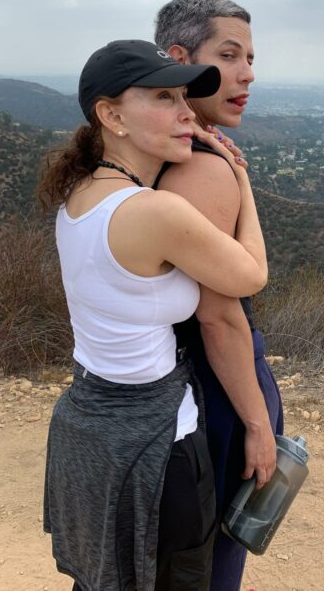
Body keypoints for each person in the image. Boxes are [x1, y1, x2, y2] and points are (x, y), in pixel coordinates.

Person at [39, 39, 269, 591]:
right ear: (111, 115)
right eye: (165, 97)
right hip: (157, 447)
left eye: (184, 97)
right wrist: (241, 182)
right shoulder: (156, 211)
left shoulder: (79, 193)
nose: (187, 113)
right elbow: (250, 275)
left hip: (88, 428)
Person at [154, 0, 284, 590]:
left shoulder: (158, 154)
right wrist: (258, 423)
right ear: (181, 59)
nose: (248, 73)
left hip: (178, 383)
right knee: (213, 553)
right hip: (217, 385)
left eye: (250, 57)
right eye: (229, 55)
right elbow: (219, 316)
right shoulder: (203, 168)